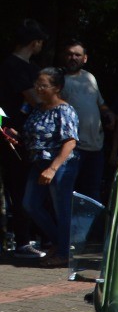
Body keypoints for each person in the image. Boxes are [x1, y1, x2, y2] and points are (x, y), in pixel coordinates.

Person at [19, 67, 79, 268]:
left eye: (43, 85)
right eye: (37, 84)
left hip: (60, 165)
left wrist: (53, 169)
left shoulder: (65, 111)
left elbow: (70, 142)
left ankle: (63, 253)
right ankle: (60, 242)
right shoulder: (37, 109)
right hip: (38, 163)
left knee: (61, 209)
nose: (38, 88)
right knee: (30, 204)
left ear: (57, 87)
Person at [2, 20, 46, 255]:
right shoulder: (11, 66)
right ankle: (22, 241)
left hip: (30, 137)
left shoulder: (31, 67)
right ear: (34, 42)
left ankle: (32, 236)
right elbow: (35, 99)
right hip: (12, 136)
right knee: (19, 187)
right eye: (40, 42)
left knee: (30, 186)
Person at [60, 39, 112, 204]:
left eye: (77, 55)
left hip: (96, 146)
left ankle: (93, 229)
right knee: (68, 193)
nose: (73, 58)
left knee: (92, 193)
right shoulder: (59, 81)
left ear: (85, 58)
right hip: (73, 147)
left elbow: (100, 103)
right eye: (69, 54)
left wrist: (109, 114)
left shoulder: (89, 77)